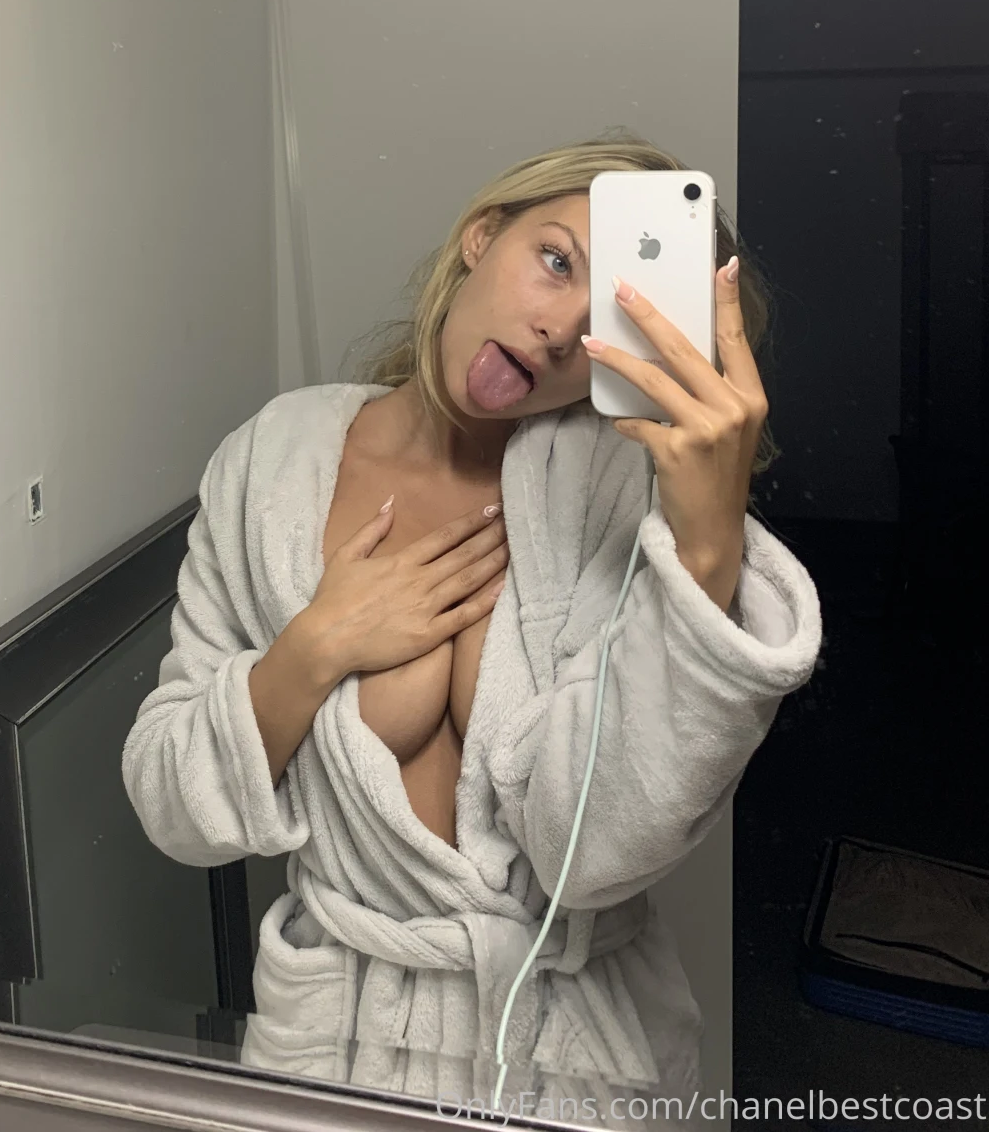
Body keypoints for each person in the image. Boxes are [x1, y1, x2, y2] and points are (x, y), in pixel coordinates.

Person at [122, 135, 822, 1118]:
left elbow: (596, 851)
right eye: (555, 261)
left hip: (573, 1062)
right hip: (329, 1046)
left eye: (613, 316)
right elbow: (171, 802)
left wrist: (706, 549)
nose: (559, 330)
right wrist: (316, 644)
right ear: (480, 237)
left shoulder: (626, 498)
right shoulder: (274, 462)